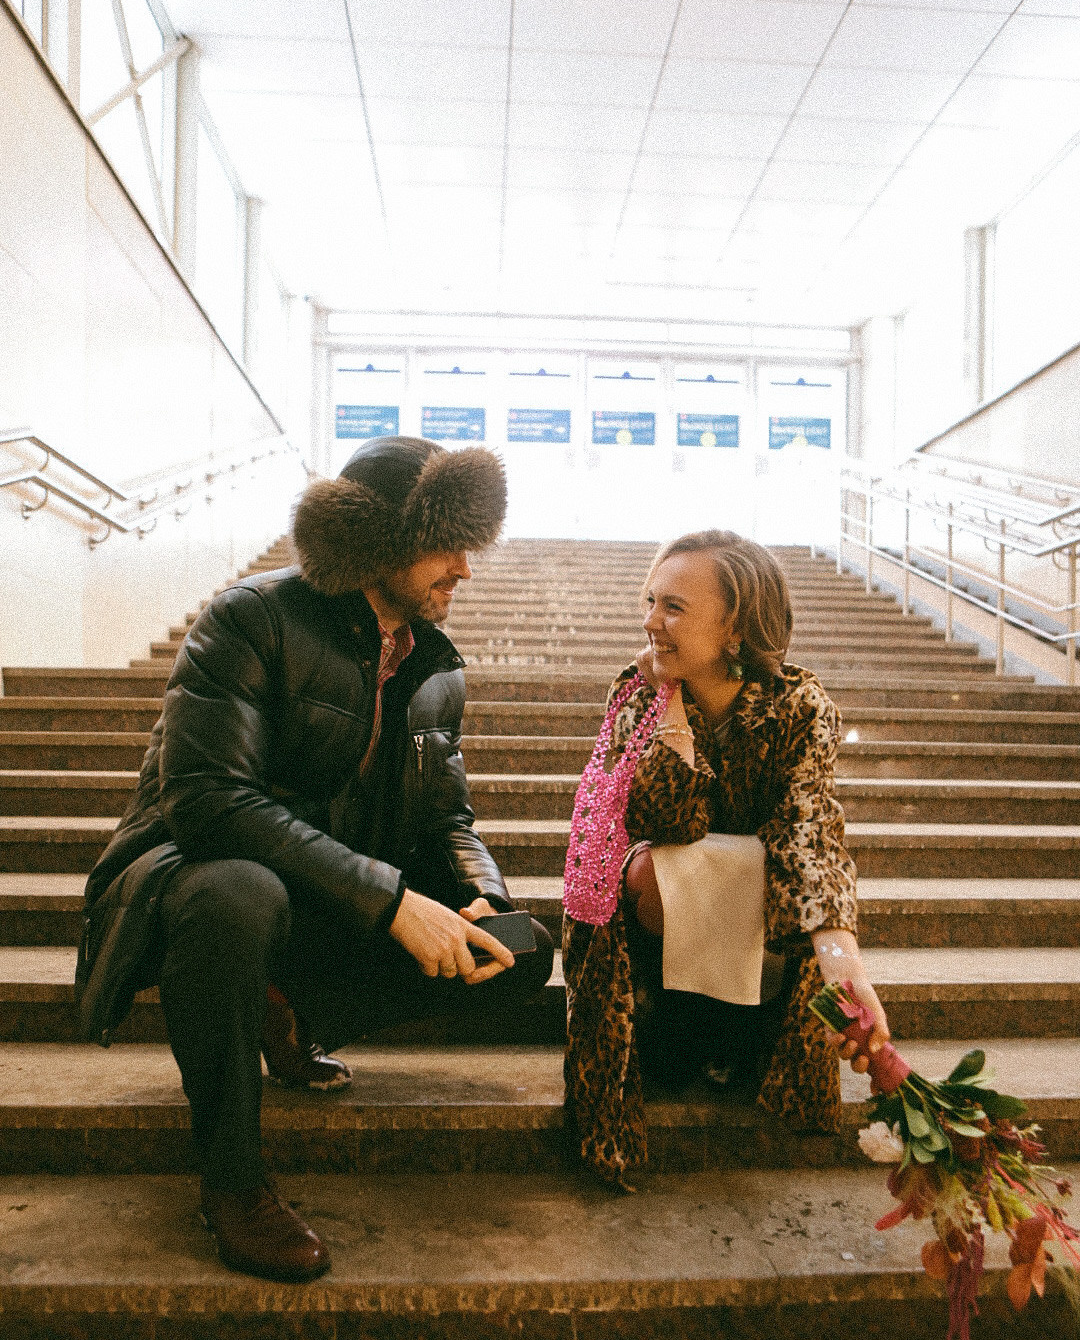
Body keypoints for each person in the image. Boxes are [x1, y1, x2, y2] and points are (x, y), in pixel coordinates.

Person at [76, 436, 554, 1280]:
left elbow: (449, 816)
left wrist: (482, 894)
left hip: (328, 899)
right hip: (186, 883)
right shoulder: (252, 618)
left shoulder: (436, 669)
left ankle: (287, 1005)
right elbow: (211, 804)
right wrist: (393, 901)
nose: (465, 569)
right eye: (447, 544)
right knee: (241, 895)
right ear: (376, 541)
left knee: (519, 950)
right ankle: (232, 1182)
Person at [562, 529, 889, 1188]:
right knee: (652, 868)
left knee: (767, 865)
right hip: (658, 960)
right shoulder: (636, 695)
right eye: (650, 600)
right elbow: (666, 823)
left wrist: (842, 965)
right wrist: (672, 711)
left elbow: (808, 833)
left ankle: (748, 1045)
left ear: (735, 625)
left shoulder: (800, 707)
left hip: (763, 952)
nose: (651, 620)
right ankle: (671, 1041)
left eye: (674, 607)